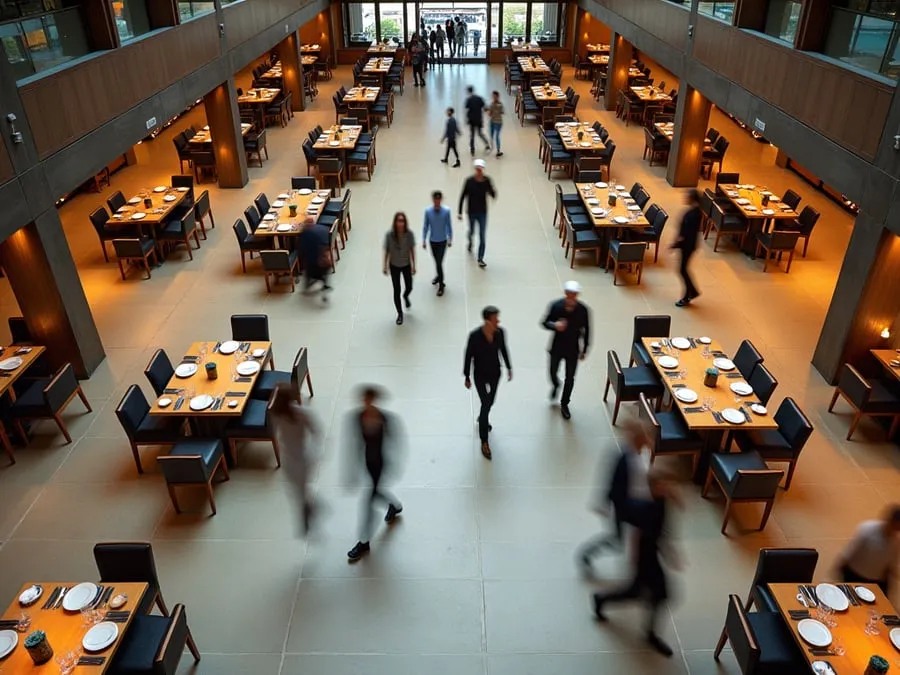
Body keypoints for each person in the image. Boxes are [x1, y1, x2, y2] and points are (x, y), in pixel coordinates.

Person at [592, 467, 682, 657]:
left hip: (652, 554)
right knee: (639, 593)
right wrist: (635, 559)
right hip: (645, 558)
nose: (668, 487)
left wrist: (669, 552)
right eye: (663, 484)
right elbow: (635, 534)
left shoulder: (661, 502)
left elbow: (662, 530)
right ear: (654, 487)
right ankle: (602, 599)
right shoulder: (644, 508)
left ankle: (648, 631)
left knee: (656, 594)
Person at [579, 421, 651, 568]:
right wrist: (604, 504)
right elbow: (614, 485)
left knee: (636, 534)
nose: (648, 441)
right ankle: (587, 553)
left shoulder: (637, 456)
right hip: (624, 507)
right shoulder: (625, 460)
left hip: (632, 505)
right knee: (618, 539)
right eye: (645, 438)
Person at [346, 386, 404, 561]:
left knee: (368, 502)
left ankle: (364, 542)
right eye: (364, 400)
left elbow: (395, 442)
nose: (366, 403)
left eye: (369, 400)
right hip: (368, 462)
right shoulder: (357, 417)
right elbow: (355, 443)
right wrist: (352, 468)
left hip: (380, 463)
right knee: (376, 492)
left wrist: (394, 464)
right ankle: (394, 506)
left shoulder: (385, 418)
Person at [270, 382, 320, 535]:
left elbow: (276, 435)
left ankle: (307, 514)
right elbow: (316, 432)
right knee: (300, 490)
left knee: (299, 491)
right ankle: (310, 509)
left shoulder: (276, 415)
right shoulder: (302, 413)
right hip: (301, 457)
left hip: (291, 459)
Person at [464, 305, 512, 460]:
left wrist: (509, 367)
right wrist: (467, 376)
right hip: (479, 374)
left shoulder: (500, 333)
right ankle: (484, 440)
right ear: (487, 320)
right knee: (485, 404)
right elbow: (468, 355)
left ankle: (482, 417)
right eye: (495, 318)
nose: (498, 320)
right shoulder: (475, 336)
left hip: (494, 373)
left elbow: (504, 350)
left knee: (490, 401)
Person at [541, 280, 590, 420]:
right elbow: (544, 322)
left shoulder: (583, 310)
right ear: (565, 293)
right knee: (552, 371)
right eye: (569, 294)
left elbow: (587, 330)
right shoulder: (556, 306)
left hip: (573, 348)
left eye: (574, 294)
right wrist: (555, 325)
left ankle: (564, 403)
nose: (571, 296)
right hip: (557, 346)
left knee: (570, 377)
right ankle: (556, 384)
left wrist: (584, 349)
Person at [836, 505, 900, 595]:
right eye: (894, 526)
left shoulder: (896, 541)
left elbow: (891, 565)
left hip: (876, 581)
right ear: (889, 520)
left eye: (897, 529)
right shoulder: (867, 529)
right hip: (855, 575)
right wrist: (839, 567)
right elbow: (850, 551)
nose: (894, 530)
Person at [458, 158, 496, 267]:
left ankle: (480, 258)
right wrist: (460, 212)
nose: (479, 171)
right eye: (477, 169)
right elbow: (463, 195)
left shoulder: (487, 181)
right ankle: (470, 240)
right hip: (471, 212)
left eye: (481, 169)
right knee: (471, 231)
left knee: (482, 235)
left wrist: (492, 192)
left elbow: (492, 192)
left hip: (482, 212)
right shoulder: (469, 181)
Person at [383, 212, 416, 325]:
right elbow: (387, 250)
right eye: (398, 221)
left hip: (406, 264)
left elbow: (412, 249)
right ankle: (400, 313)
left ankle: (406, 296)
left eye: (402, 221)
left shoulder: (409, 234)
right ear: (395, 222)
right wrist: (385, 265)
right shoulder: (389, 235)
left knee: (409, 286)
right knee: (396, 290)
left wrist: (413, 264)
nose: (400, 223)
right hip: (394, 266)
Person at [671, 189, 702, 307]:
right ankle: (692, 292)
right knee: (683, 269)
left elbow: (686, 233)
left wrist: (676, 243)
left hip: (688, 246)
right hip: (687, 244)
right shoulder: (694, 211)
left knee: (683, 270)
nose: (685, 198)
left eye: (687, 196)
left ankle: (689, 294)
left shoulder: (693, 214)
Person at [423, 190, 453, 296]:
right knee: (437, 261)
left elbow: (449, 225)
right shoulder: (428, 211)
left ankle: (441, 284)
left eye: (438, 199)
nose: (437, 201)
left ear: (441, 200)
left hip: (442, 241)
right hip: (433, 241)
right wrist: (423, 239)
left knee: (439, 262)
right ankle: (438, 276)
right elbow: (426, 226)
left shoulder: (446, 211)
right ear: (433, 200)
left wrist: (450, 238)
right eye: (435, 199)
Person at [297, 215, 331, 300]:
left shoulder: (305, 233)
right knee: (323, 273)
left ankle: (308, 286)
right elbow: (325, 246)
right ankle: (324, 284)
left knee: (309, 274)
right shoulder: (323, 229)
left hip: (312, 260)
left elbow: (301, 248)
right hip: (322, 259)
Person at [464, 86, 490, 155]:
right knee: (480, 133)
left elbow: (466, 107)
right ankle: (487, 144)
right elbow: (484, 107)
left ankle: (472, 149)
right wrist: (487, 111)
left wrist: (466, 119)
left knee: (472, 135)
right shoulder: (479, 98)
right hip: (478, 118)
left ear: (468, 91)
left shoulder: (469, 99)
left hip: (472, 119)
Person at [487, 90, 504, 158]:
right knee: (491, 135)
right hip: (492, 122)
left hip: (498, 122)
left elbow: (502, 112)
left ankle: (498, 150)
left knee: (497, 136)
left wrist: (496, 109)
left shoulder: (500, 104)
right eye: (493, 96)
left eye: (495, 96)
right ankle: (492, 147)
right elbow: (490, 114)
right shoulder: (491, 104)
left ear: (498, 97)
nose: (494, 98)